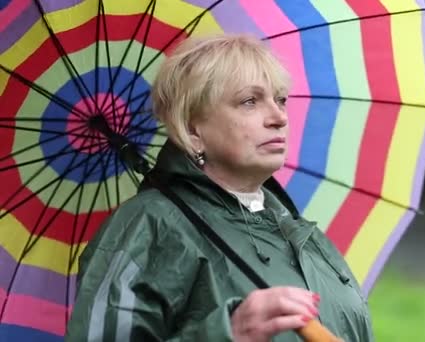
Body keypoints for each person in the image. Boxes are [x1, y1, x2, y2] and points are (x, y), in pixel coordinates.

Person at [65, 34, 374, 341]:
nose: (279, 117)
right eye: (249, 101)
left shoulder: (298, 232)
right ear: (192, 129)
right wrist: (230, 333)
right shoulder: (149, 225)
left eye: (280, 99)